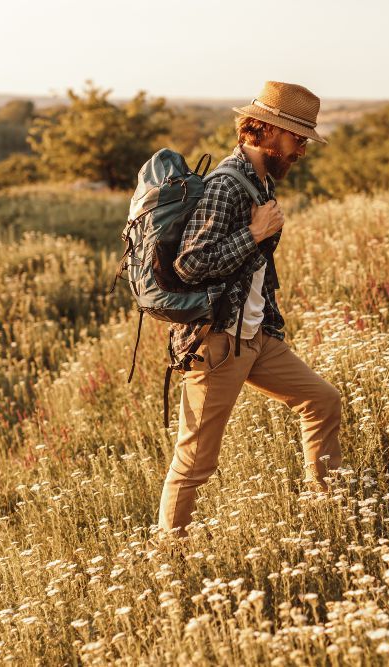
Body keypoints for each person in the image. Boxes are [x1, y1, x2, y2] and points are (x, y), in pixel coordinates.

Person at [157, 81, 342, 536]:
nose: (301, 149)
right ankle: (168, 555)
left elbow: (257, 273)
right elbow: (191, 264)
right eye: (296, 137)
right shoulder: (226, 185)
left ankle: (332, 513)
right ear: (264, 129)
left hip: (254, 336)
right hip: (218, 341)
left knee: (322, 400)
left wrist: (269, 326)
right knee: (196, 460)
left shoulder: (260, 181)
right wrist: (255, 234)